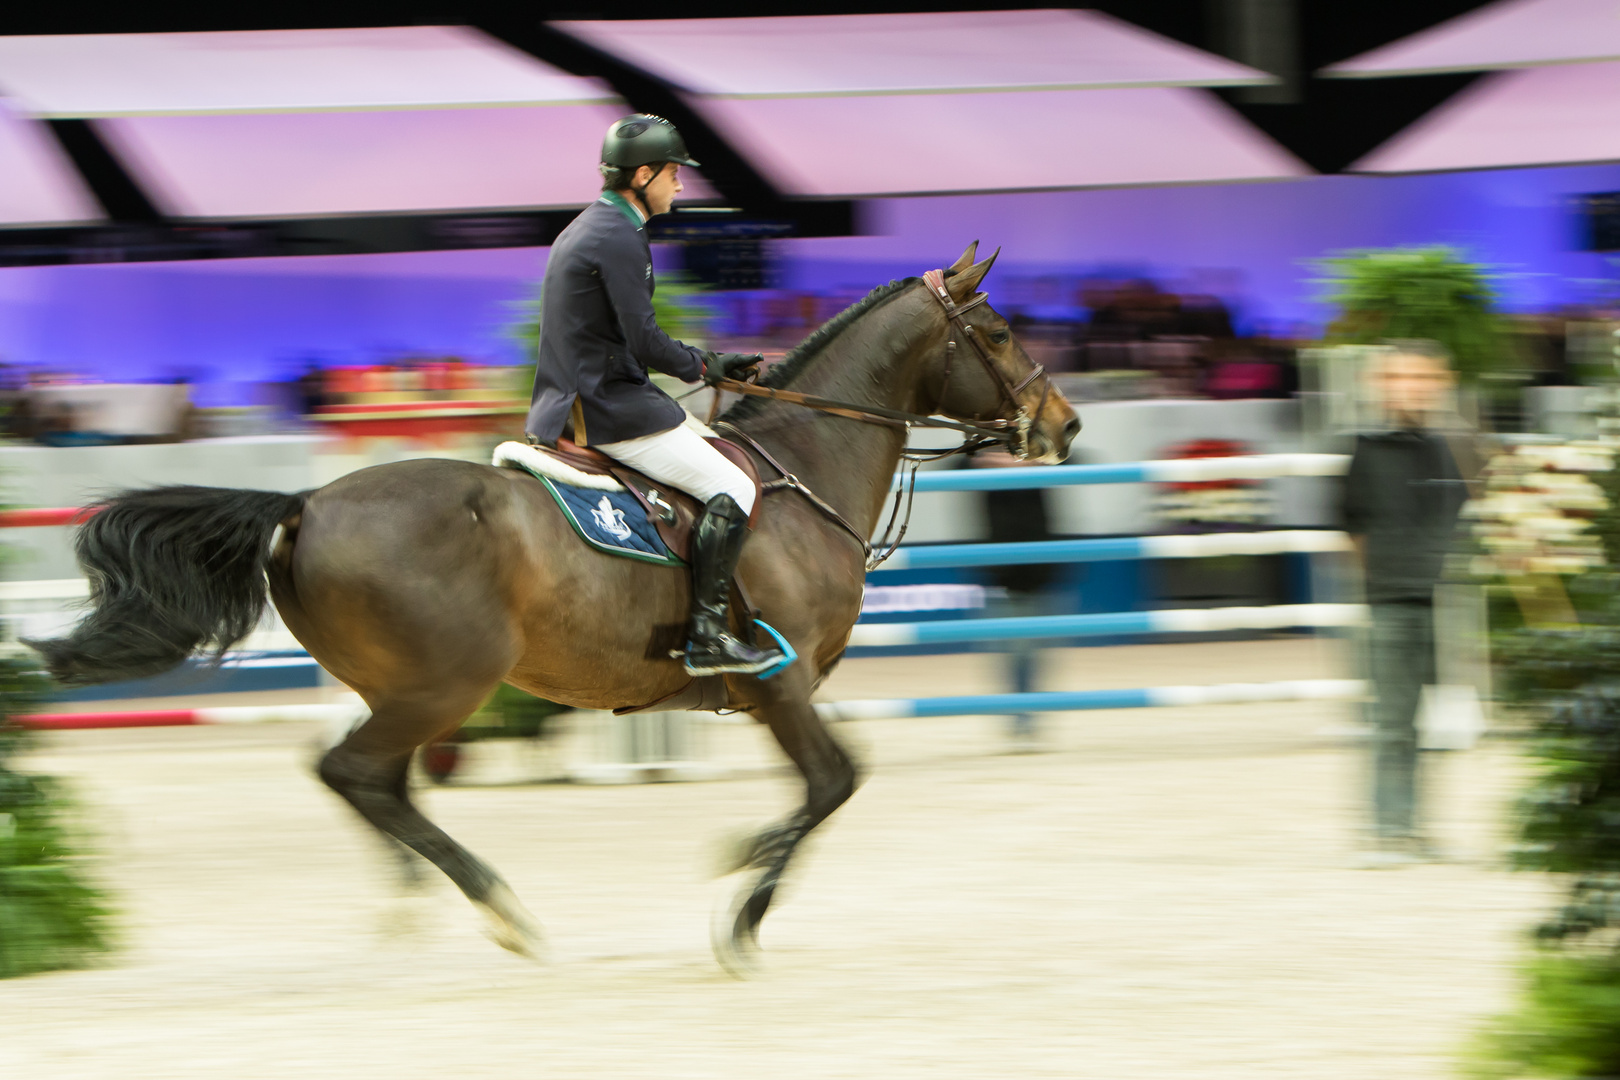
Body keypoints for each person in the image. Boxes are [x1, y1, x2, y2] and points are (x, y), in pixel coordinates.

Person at [524, 114, 785, 677]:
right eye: (673, 173)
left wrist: (705, 365)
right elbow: (642, 339)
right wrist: (706, 366)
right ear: (642, 175)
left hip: (587, 396)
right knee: (733, 484)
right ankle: (708, 634)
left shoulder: (593, 226)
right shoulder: (618, 235)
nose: (680, 184)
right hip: (605, 409)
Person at [1340, 340, 1469, 865]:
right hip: (1392, 599)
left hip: (1447, 598)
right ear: (1382, 385)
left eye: (1423, 377)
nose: (1412, 387)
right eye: (1400, 377)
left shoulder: (1452, 447)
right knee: (1394, 720)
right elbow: (1351, 525)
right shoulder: (1364, 448)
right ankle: (1388, 828)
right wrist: (1385, 579)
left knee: (1433, 724)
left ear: (1442, 382)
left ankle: (1412, 826)